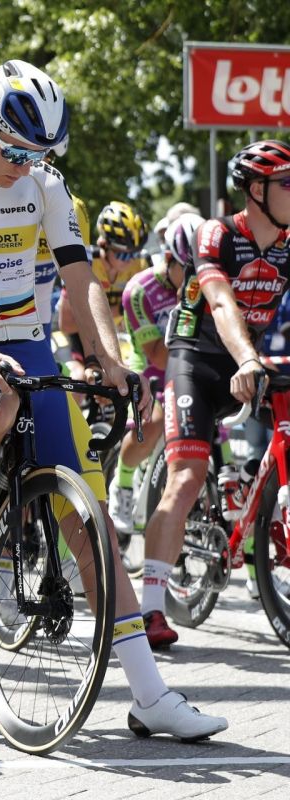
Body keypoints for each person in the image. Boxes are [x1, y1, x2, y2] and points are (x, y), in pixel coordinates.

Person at [0, 58, 226, 741]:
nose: (27, 167)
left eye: (38, 155)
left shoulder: (44, 182)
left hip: (29, 346)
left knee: (89, 520)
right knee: (0, 403)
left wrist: (110, 359)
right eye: (16, 153)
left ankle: (150, 694)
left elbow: (82, 281)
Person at [141, 139, 290, 650]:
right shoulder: (217, 233)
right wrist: (246, 358)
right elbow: (222, 302)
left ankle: (253, 500)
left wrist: (252, 360)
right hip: (198, 361)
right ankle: (151, 607)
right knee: (187, 477)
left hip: (252, 361)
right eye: (287, 183)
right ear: (257, 190)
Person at [107, 211, 202, 535]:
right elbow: (157, 356)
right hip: (145, 362)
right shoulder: (139, 289)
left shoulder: (198, 283)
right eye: (186, 270)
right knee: (155, 419)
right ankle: (122, 481)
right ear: (168, 258)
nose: (193, 279)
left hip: (182, 358)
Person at [58, 200, 148, 379]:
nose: (131, 260)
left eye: (135, 253)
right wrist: (118, 310)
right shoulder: (85, 264)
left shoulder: (141, 264)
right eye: (123, 255)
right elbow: (67, 325)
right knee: (79, 378)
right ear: (103, 244)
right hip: (79, 337)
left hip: (114, 337)